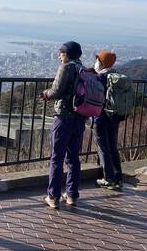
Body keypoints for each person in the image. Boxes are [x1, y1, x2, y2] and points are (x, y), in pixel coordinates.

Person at [40, 41, 85, 209]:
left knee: (56, 158)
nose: (59, 56)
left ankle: (53, 196)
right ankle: (72, 195)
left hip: (64, 117)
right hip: (79, 117)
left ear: (68, 54)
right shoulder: (82, 68)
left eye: (61, 53)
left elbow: (56, 91)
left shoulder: (66, 67)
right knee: (73, 158)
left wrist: (45, 94)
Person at [92, 50, 123, 190]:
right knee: (113, 147)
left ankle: (109, 178)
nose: (96, 63)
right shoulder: (116, 77)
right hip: (114, 117)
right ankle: (118, 178)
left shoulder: (100, 78)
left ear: (102, 62)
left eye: (98, 60)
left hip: (101, 117)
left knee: (103, 147)